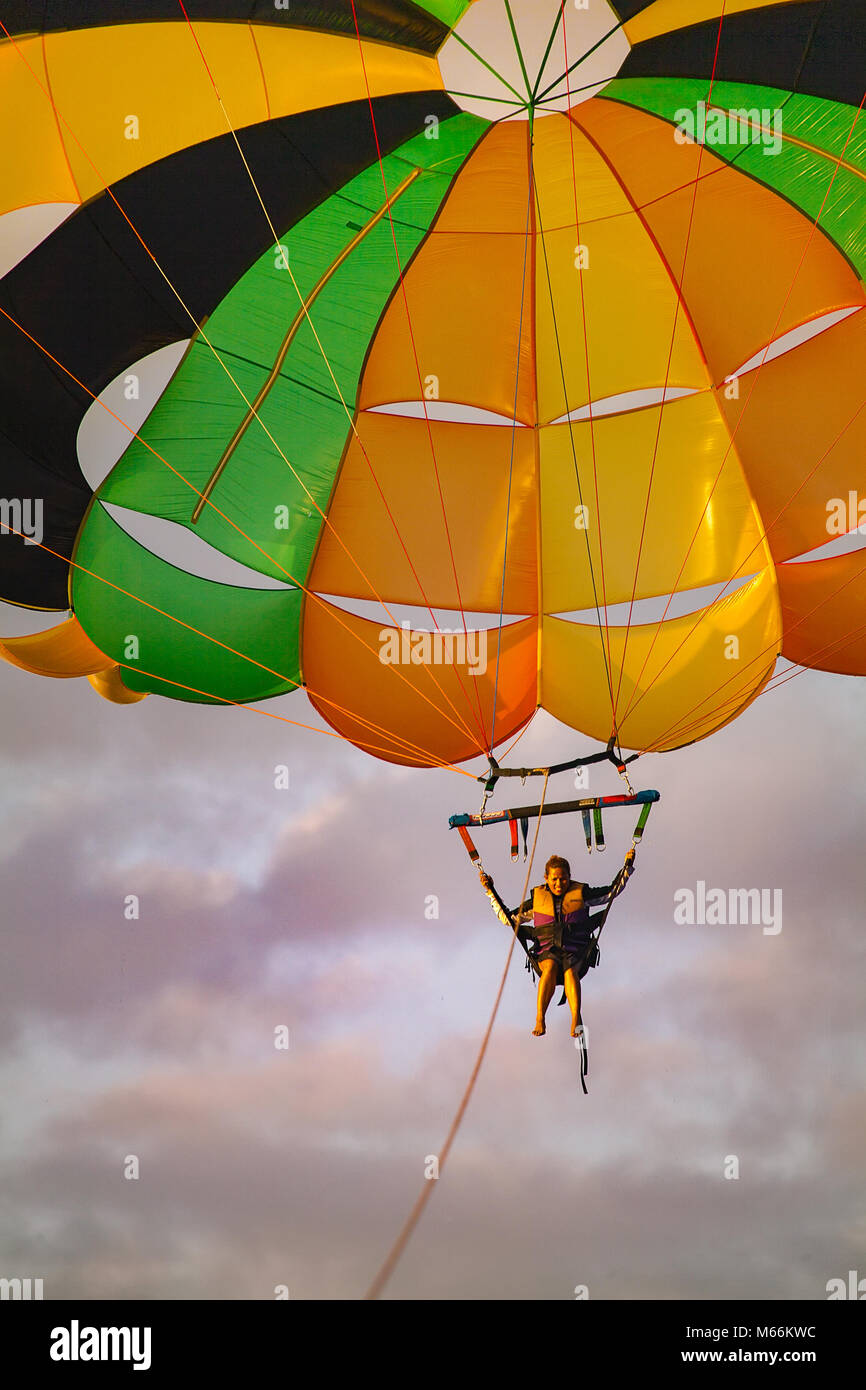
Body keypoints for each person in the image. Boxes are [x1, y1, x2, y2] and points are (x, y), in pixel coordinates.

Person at [479, 850, 635, 1038]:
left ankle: (575, 1017)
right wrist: (490, 891)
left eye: (563, 879)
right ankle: (540, 1018)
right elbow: (508, 918)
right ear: (546, 878)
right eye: (554, 879)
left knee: (570, 971)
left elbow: (610, 893)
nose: (558, 884)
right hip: (547, 950)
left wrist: (626, 866)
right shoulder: (537, 900)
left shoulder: (581, 894)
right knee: (551, 967)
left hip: (574, 949)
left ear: (569, 877)